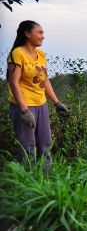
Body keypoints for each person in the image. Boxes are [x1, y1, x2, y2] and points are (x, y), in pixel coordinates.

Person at [7, 20, 69, 172]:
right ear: (28, 34)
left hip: (41, 104)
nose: (43, 36)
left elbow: (44, 79)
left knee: (45, 144)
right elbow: (14, 83)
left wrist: (56, 102)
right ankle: (27, 184)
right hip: (24, 106)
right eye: (40, 32)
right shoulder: (17, 54)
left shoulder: (40, 54)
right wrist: (24, 111)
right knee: (27, 146)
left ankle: (45, 181)